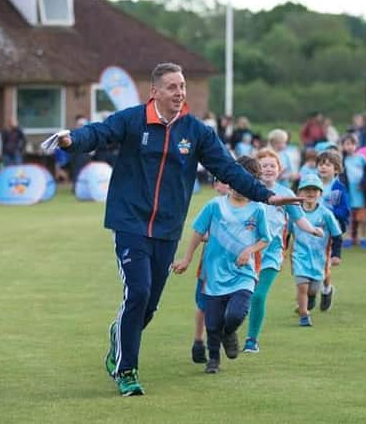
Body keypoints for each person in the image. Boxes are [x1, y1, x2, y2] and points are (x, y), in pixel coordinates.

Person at [55, 62, 301, 396]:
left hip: (168, 229)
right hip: (130, 223)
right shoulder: (132, 120)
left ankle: (119, 338)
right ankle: (126, 370)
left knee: (149, 305)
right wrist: (72, 140)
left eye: (182, 86)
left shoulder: (196, 132)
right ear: (154, 91)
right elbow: (99, 133)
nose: (180, 92)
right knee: (138, 292)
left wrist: (267, 196)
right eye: (172, 87)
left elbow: (228, 169)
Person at [173, 156, 270, 374]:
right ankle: (213, 359)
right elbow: (198, 231)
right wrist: (187, 258)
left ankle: (229, 332)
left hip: (243, 274)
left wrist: (249, 250)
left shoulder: (258, 209)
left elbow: (265, 238)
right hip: (214, 273)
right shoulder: (215, 205)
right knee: (213, 320)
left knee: (235, 314)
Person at [243, 149, 322, 353]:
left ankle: (252, 339)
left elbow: (299, 218)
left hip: (271, 254)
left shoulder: (286, 194)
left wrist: (313, 229)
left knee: (259, 296)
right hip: (246, 253)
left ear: (280, 170)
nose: (268, 169)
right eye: (263, 165)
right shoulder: (248, 190)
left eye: (272, 165)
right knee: (241, 296)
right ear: (256, 170)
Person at [290, 174, 342, 326]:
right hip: (299, 256)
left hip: (320, 258)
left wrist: (336, 255)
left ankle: (313, 298)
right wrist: (282, 252)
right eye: (307, 190)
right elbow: (286, 234)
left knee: (312, 290)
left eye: (314, 190)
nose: (310, 193)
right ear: (300, 193)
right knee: (302, 287)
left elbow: (337, 235)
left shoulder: (326, 214)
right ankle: (304, 315)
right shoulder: (295, 212)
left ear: (320, 193)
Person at [190, 179, 230, 364]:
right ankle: (199, 341)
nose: (226, 186)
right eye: (221, 182)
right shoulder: (213, 206)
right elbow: (199, 231)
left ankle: (222, 339)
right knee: (203, 304)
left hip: (234, 266)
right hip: (211, 264)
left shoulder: (246, 207)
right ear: (215, 186)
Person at [316, 149, 350, 310]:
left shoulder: (339, 188)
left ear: (336, 169)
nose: (323, 168)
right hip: (311, 231)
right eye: (321, 164)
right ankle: (307, 293)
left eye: (328, 165)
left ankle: (326, 289)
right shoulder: (312, 184)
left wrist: (329, 213)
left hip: (331, 232)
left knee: (324, 263)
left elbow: (345, 210)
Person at [340, 133, 366, 248]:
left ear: (356, 145)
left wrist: (363, 183)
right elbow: (341, 176)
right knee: (349, 216)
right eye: (347, 144)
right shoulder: (343, 160)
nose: (349, 147)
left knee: (362, 217)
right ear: (343, 146)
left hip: (359, 191)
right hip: (348, 191)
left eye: (352, 144)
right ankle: (348, 237)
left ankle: (362, 237)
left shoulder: (361, 158)